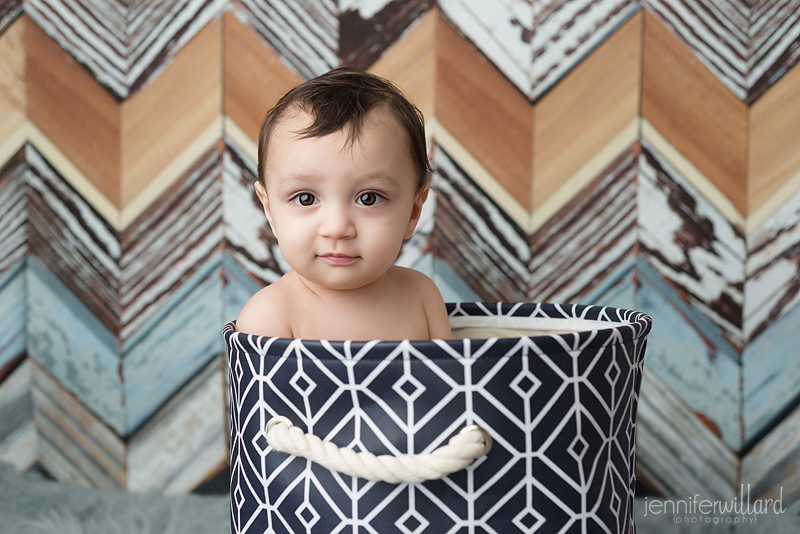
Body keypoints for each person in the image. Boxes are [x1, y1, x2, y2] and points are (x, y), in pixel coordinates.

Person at [235, 67, 452, 341]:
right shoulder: (269, 318)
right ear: (270, 211)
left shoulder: (421, 296)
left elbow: (452, 383)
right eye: (306, 198)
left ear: (412, 212)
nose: (337, 228)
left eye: (369, 198)